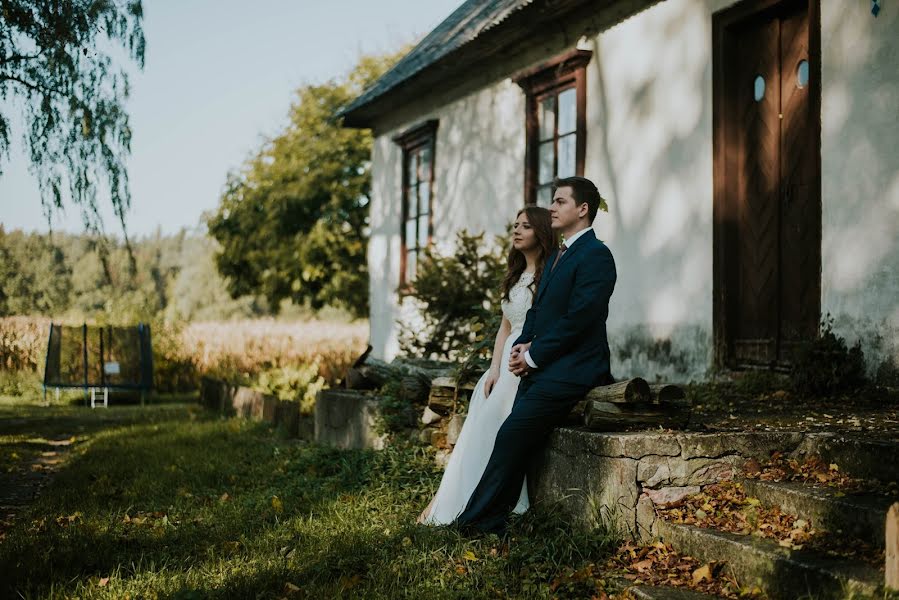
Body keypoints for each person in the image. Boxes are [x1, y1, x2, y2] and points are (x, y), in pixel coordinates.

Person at [455, 176, 617, 535]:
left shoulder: (596, 256)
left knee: (512, 433)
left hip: (576, 369)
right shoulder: (560, 255)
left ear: (582, 209)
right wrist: (521, 346)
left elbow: (580, 318)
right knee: (512, 434)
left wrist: (534, 355)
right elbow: (538, 312)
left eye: (560, 202)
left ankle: (476, 523)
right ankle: (496, 517)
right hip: (546, 367)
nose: (552, 208)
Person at [417, 206, 556, 525]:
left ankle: (495, 503)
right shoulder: (514, 275)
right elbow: (505, 328)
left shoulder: (548, 276)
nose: (517, 230)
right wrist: (493, 370)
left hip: (529, 359)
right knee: (478, 428)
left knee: (495, 426)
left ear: (541, 232)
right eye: (515, 225)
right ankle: (455, 500)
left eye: (526, 226)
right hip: (504, 363)